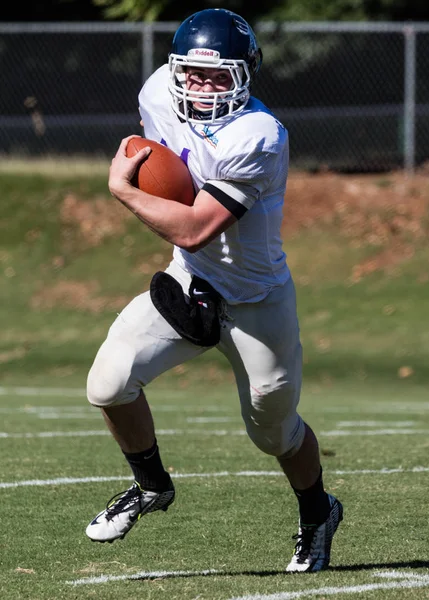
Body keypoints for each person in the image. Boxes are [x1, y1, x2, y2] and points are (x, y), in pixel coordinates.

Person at [85, 8, 343, 573]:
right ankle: (151, 486)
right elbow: (172, 178)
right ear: (173, 69)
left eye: (218, 76)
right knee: (108, 384)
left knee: (273, 432)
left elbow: (196, 227)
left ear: (245, 74)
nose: (201, 87)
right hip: (191, 281)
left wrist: (124, 193)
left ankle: (319, 511)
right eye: (192, 74)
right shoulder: (157, 92)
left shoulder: (260, 134)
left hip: (256, 299)